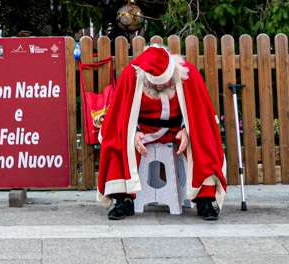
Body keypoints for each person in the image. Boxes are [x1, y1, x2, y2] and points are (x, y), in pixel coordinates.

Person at [97, 42, 226, 222]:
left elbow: (199, 113)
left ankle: (205, 199)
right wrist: (133, 132)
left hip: (177, 128)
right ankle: (123, 199)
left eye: (163, 84)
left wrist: (185, 130)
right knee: (121, 141)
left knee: (201, 139)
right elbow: (121, 115)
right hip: (144, 129)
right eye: (154, 84)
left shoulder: (188, 73)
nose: (158, 87)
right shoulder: (131, 74)